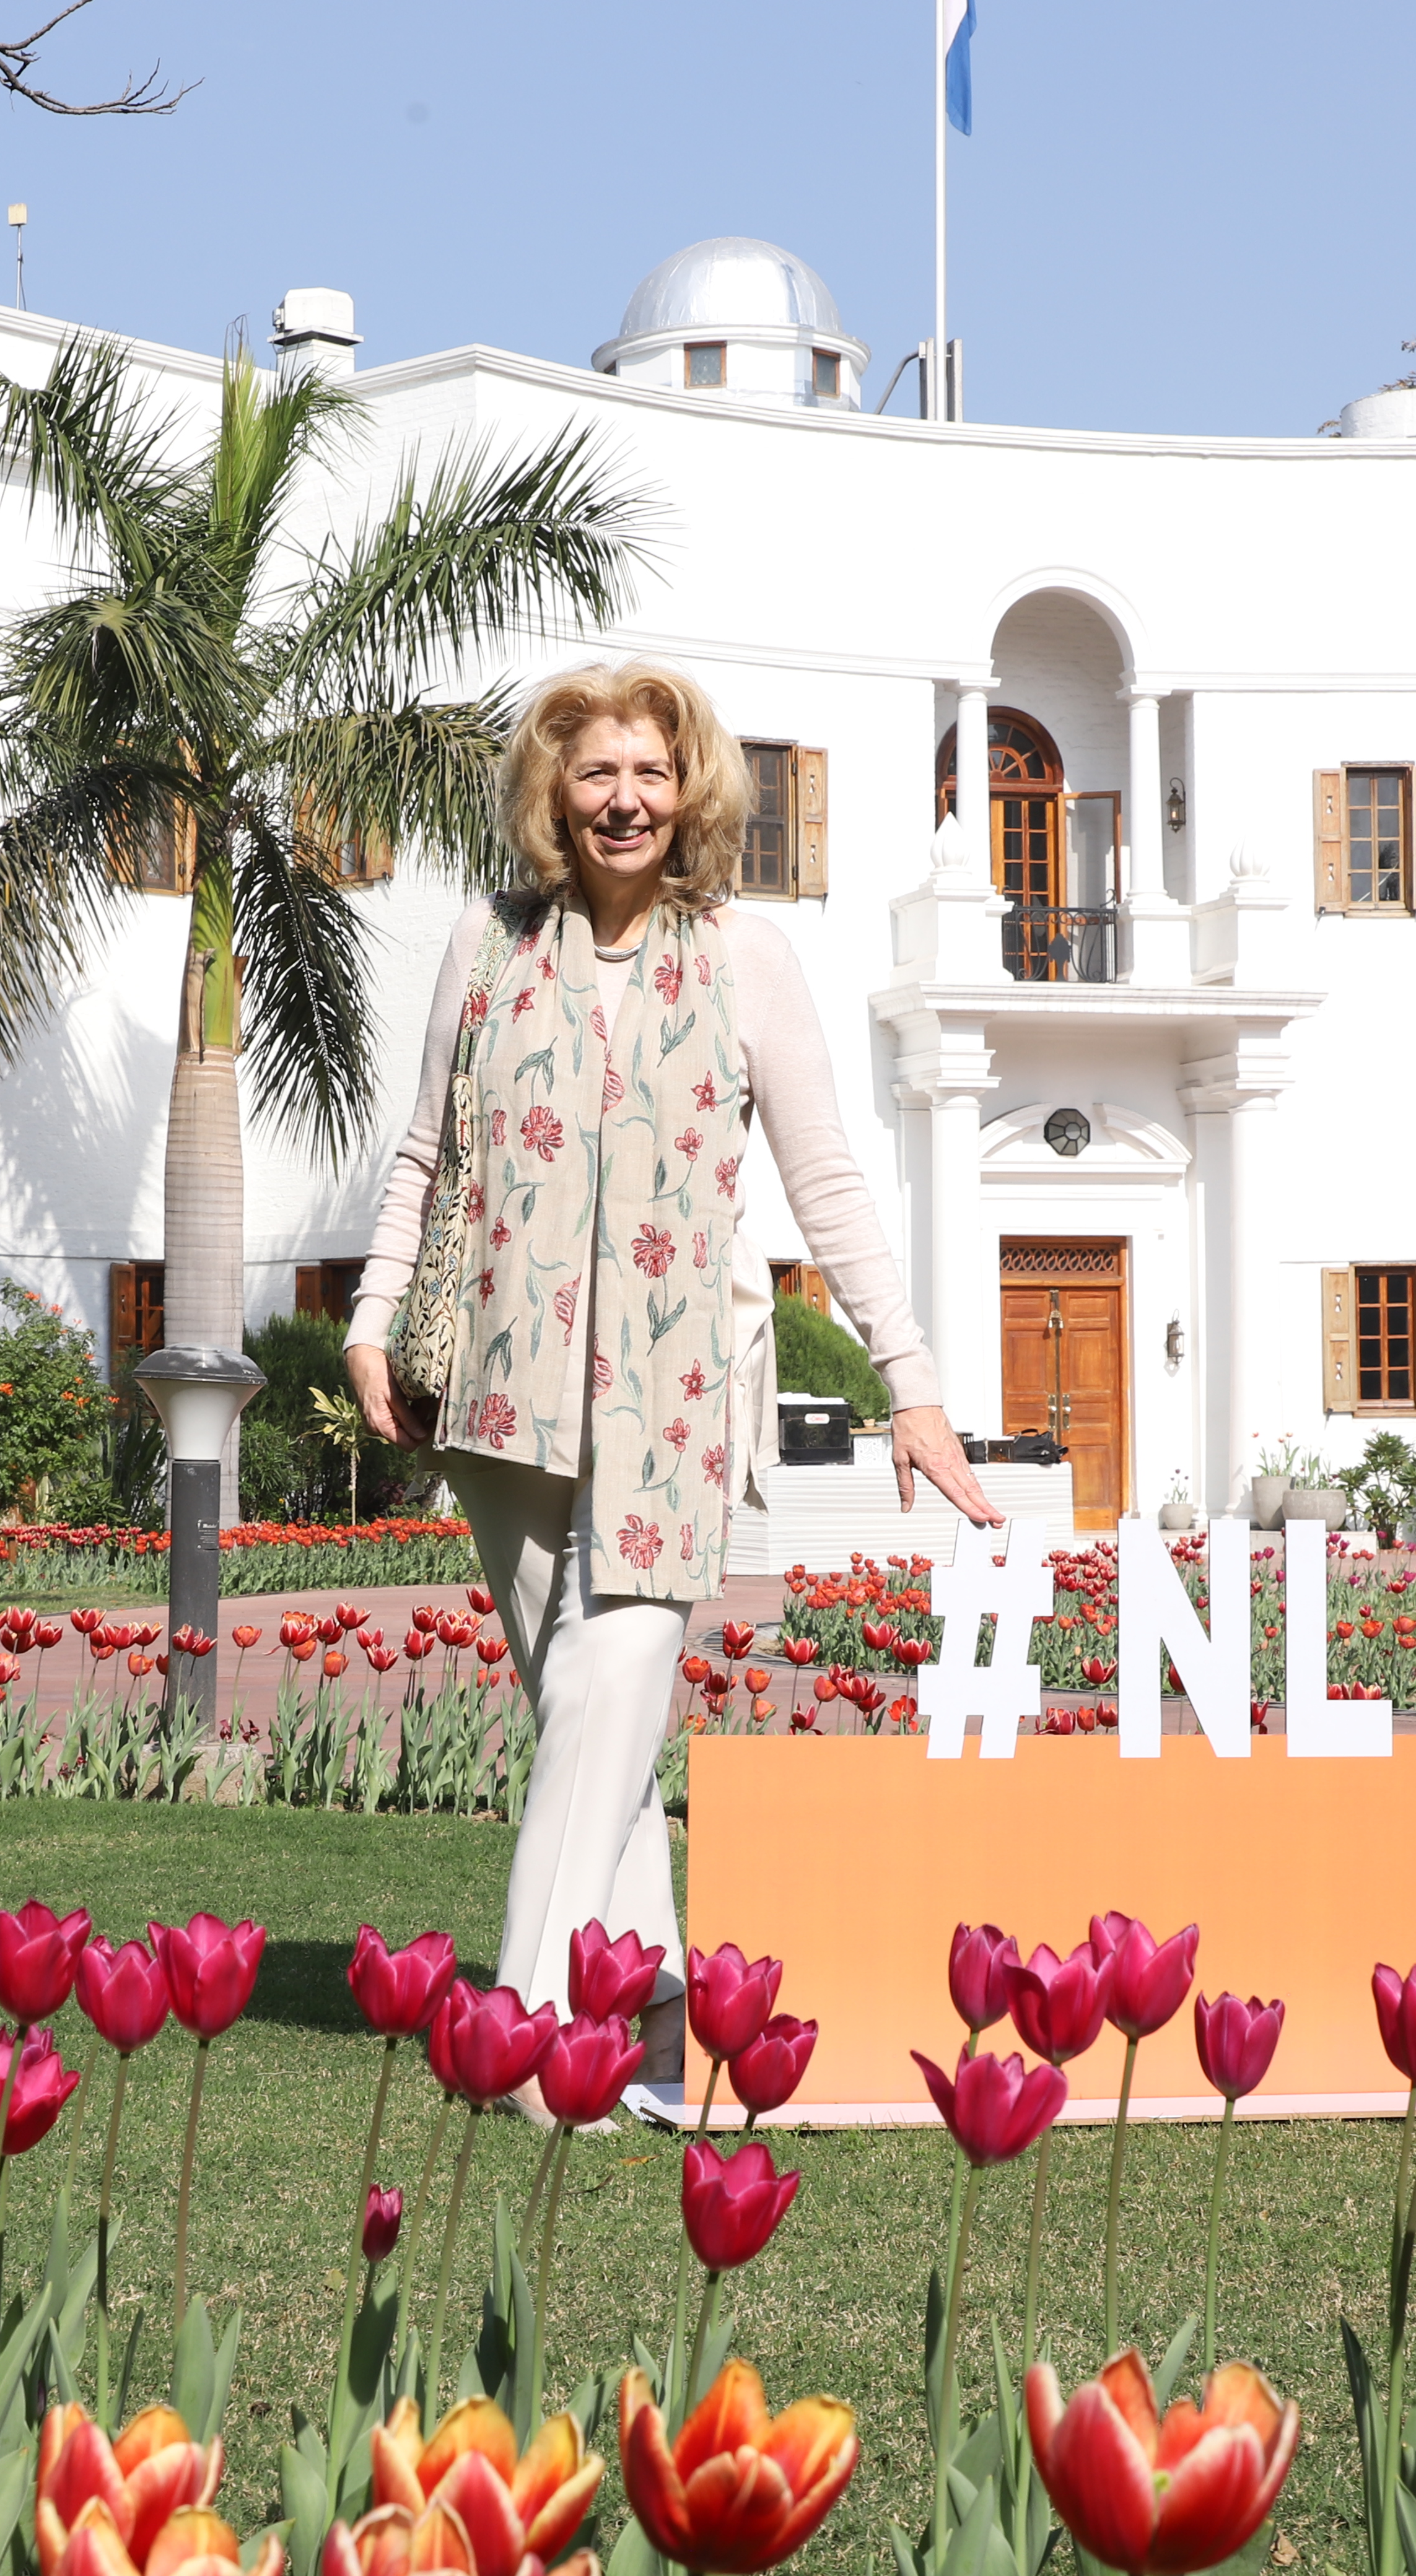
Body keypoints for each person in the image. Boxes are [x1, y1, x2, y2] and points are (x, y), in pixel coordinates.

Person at [346, 661, 996, 2032]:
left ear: (690, 791)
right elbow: (424, 1148)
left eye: (651, 772)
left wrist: (914, 1386)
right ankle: (647, 1991)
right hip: (499, 1393)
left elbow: (825, 1180)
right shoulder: (488, 941)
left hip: (672, 1396)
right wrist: (369, 1315)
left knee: (614, 1672)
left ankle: (523, 2028)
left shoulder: (748, 959)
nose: (625, 799)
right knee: (594, 1717)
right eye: (597, 774)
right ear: (554, 795)